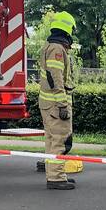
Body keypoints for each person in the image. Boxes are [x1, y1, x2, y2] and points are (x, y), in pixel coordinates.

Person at [39, 11, 77, 190]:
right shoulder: (57, 49)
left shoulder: (50, 46)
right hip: (55, 104)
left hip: (49, 103)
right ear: (67, 29)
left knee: (52, 140)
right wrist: (63, 104)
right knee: (59, 140)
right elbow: (56, 78)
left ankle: (55, 174)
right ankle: (56, 178)